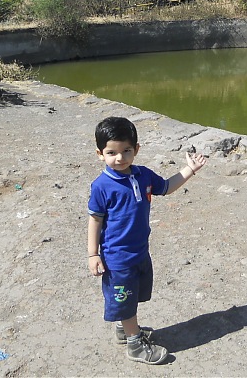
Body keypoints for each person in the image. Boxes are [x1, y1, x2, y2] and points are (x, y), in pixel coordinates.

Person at [87, 116, 208, 365]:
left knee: (132, 296)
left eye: (126, 151)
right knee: (125, 297)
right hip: (117, 257)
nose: (120, 158)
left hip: (140, 251)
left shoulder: (143, 176)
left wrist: (189, 171)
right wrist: (93, 254)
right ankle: (135, 345)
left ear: (136, 149)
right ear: (100, 154)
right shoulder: (101, 186)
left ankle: (125, 328)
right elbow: (95, 221)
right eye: (112, 152)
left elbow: (165, 186)